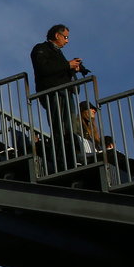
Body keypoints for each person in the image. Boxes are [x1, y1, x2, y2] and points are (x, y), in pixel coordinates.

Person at [31, 24, 87, 168]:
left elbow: (59, 70)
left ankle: (73, 157)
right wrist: (67, 66)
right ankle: (61, 160)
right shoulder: (41, 48)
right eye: (66, 37)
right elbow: (44, 69)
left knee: (69, 128)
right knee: (60, 127)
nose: (67, 41)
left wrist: (75, 68)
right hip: (53, 93)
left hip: (65, 93)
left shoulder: (57, 53)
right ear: (57, 35)